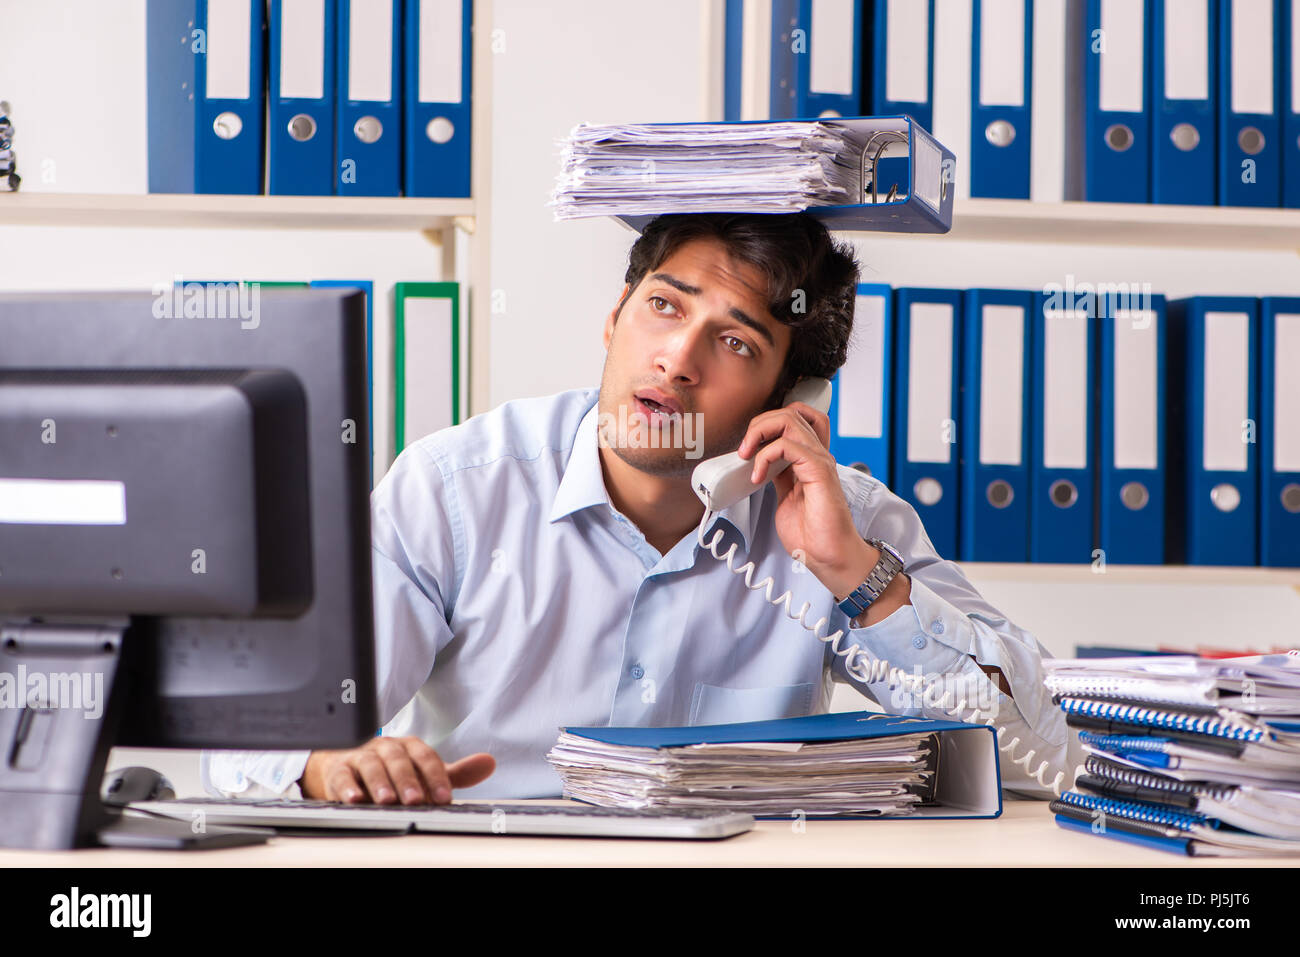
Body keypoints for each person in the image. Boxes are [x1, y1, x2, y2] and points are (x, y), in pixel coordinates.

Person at [202, 212, 1076, 805]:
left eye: (735, 340)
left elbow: (1049, 756)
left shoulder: (842, 521)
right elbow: (246, 735)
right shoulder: (456, 488)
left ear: (791, 392)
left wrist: (860, 580)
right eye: (664, 306)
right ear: (617, 314)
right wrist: (326, 762)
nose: (678, 358)